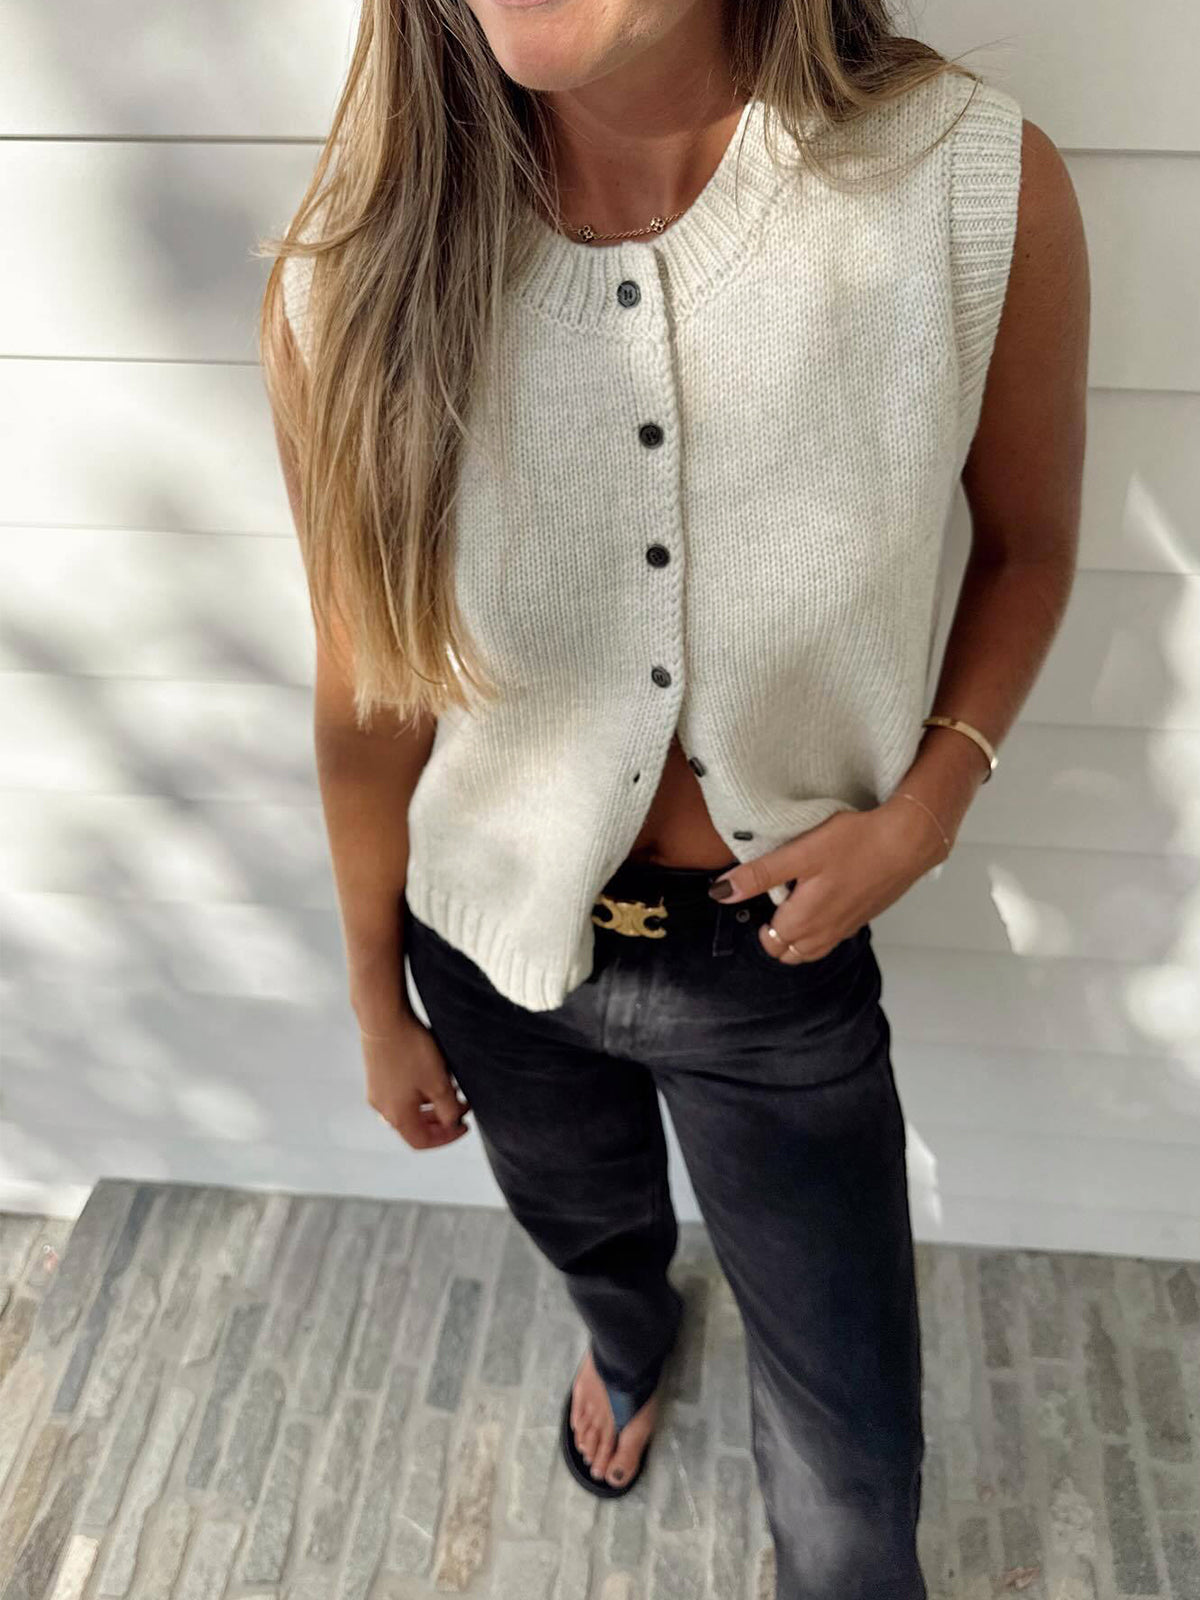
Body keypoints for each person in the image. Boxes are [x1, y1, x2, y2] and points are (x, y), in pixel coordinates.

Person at [260, 0, 1089, 1592]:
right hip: (486, 948)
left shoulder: (967, 186)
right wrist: (376, 998)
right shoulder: (353, 274)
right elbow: (370, 694)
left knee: (853, 1466)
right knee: (589, 1234)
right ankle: (628, 1334)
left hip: (776, 962)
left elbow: (1030, 546)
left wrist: (930, 805)